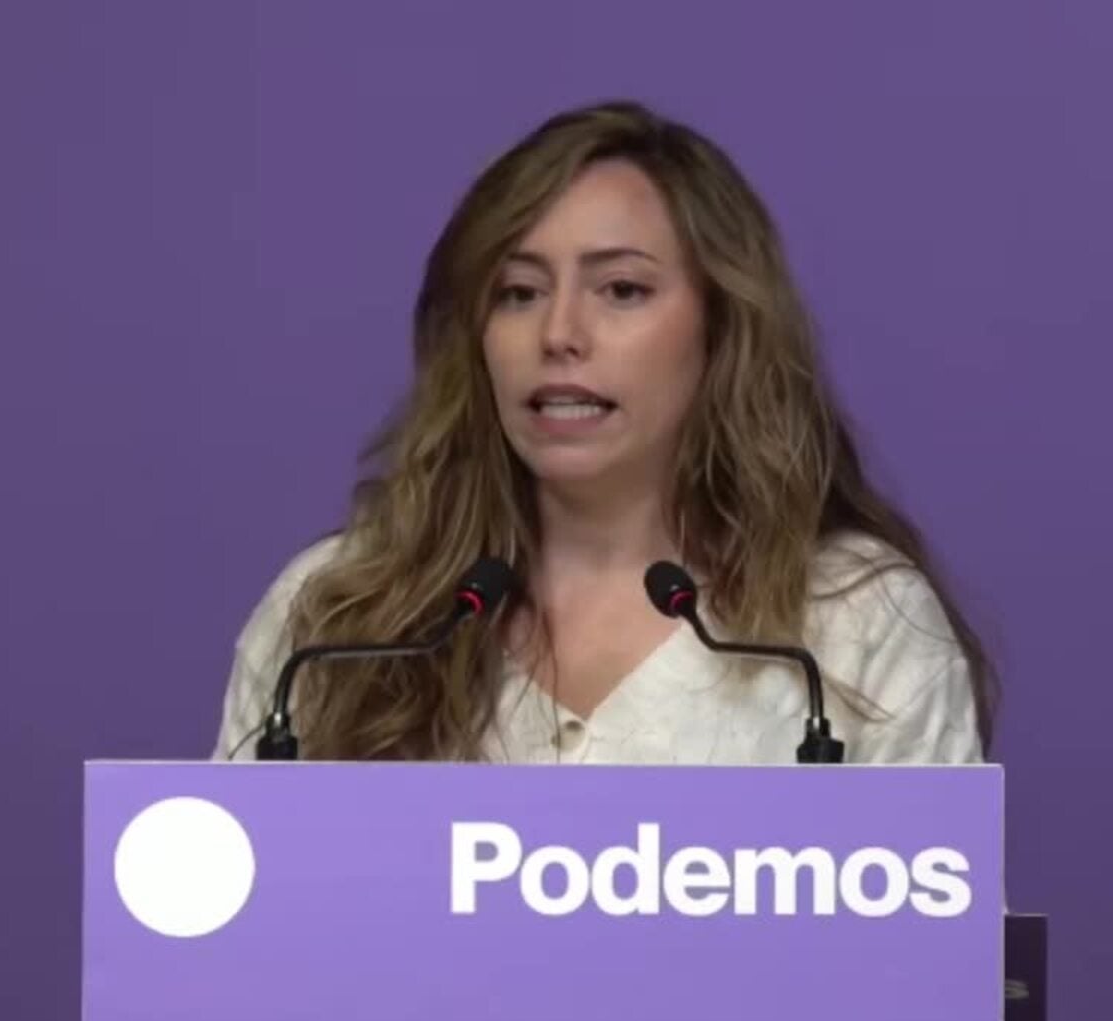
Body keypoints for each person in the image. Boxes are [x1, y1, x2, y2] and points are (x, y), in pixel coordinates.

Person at [213, 99, 997, 766]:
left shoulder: (856, 624)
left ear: (721, 327)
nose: (558, 334)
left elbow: (930, 906)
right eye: (518, 292)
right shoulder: (335, 616)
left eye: (621, 289)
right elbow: (231, 893)